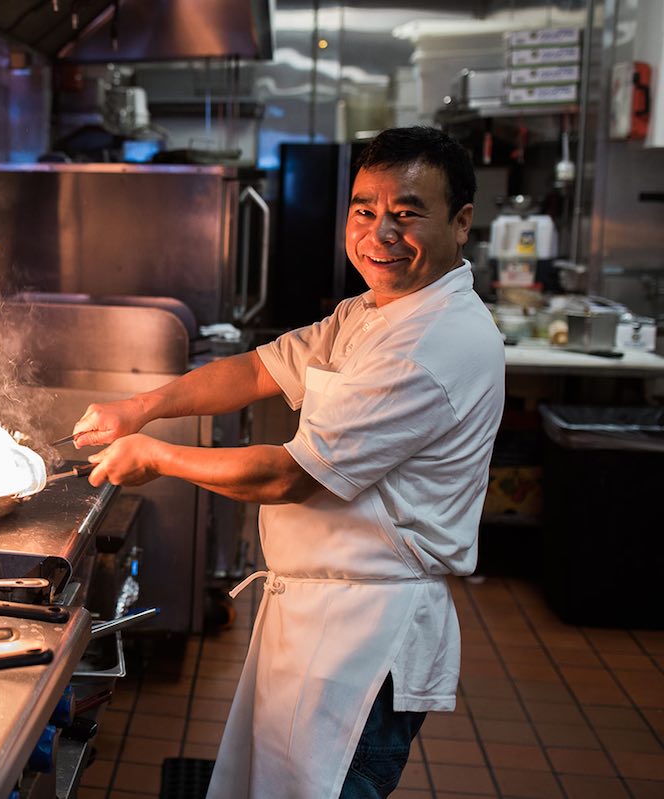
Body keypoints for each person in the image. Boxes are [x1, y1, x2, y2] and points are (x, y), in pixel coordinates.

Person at [71, 126, 505, 798]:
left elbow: (287, 474)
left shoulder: (433, 343)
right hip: (320, 618)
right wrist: (141, 407)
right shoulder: (371, 312)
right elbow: (258, 368)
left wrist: (158, 456)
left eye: (408, 212)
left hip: (366, 642)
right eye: (365, 210)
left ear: (461, 222)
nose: (380, 233)